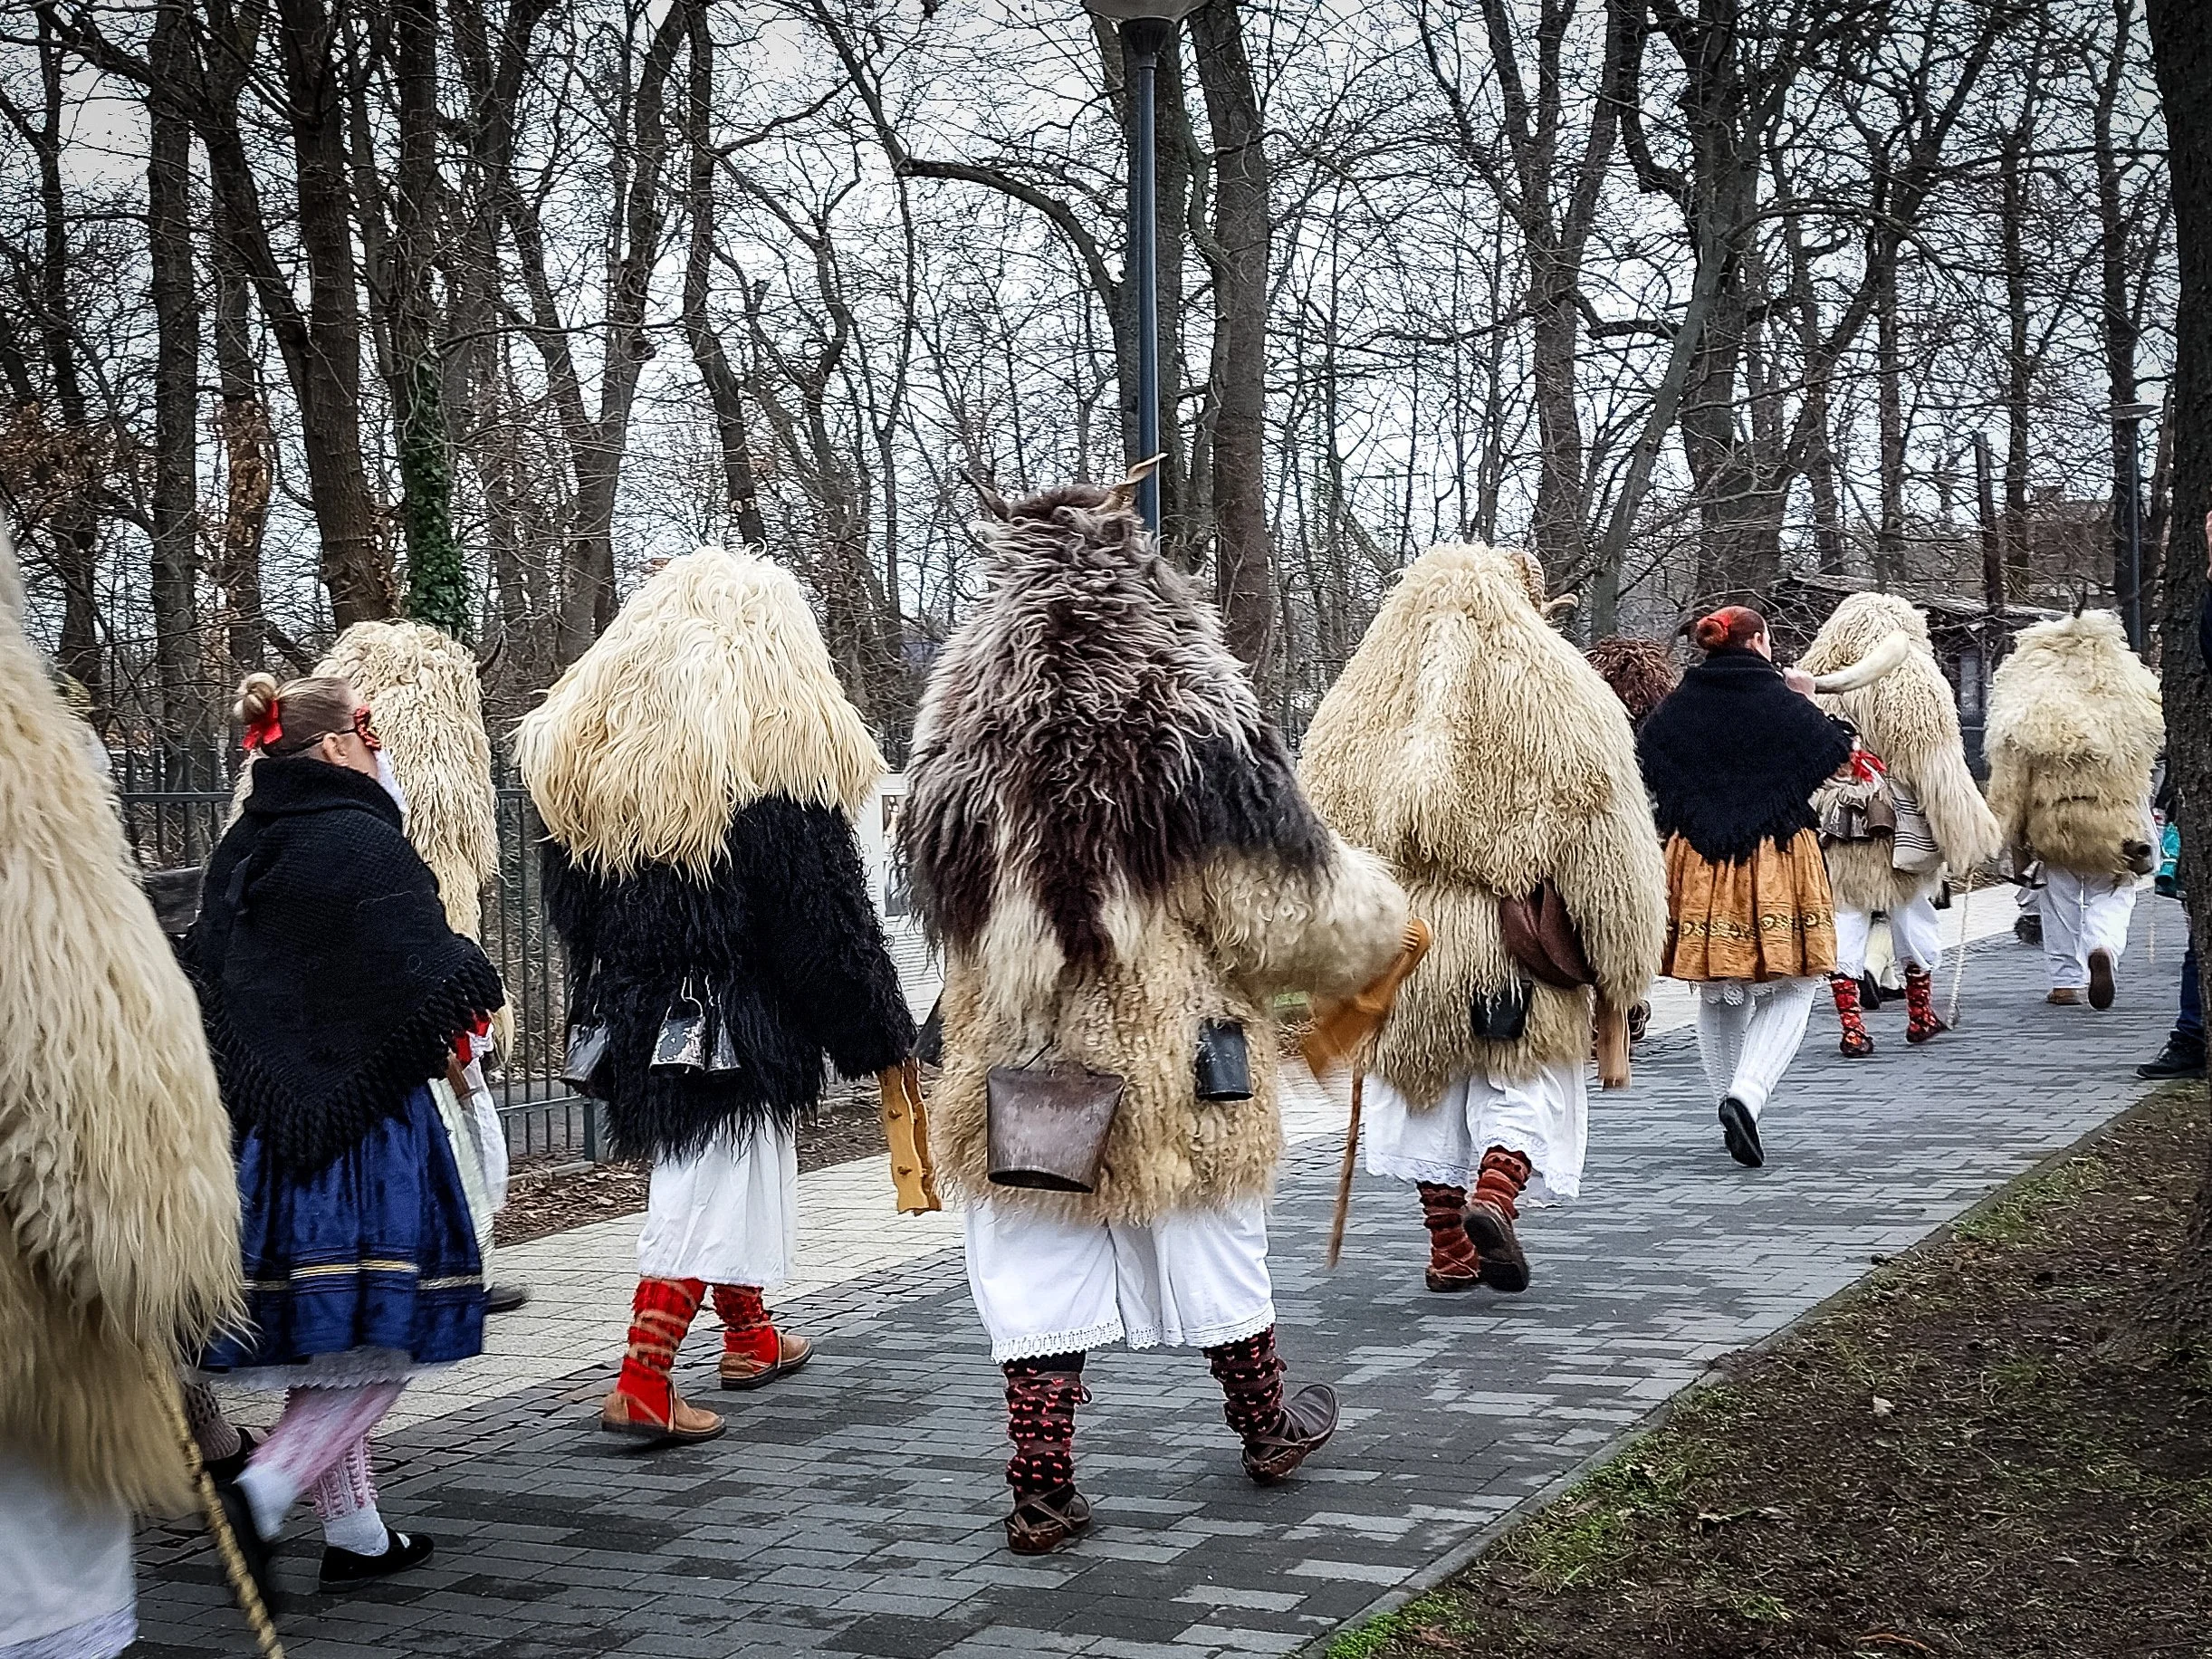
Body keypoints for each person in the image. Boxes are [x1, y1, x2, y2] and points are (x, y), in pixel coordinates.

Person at [901, 473, 1408, 1556]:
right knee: (1211, 1236)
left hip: (1020, 1049)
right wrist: (1370, 928)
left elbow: (945, 918)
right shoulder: (1194, 716)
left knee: (1035, 1250)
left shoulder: (952, 738)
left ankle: (1041, 1487)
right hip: (1181, 1048)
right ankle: (1265, 1424)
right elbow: (1280, 914)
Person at [517, 546, 914, 1447]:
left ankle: (749, 1335)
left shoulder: (594, 764)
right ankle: (642, 1380)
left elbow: (574, 913)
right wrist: (878, 1032)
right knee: (708, 1187)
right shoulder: (771, 754)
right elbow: (822, 925)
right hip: (730, 1021)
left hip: (637, 1008)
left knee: (727, 1173)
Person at [188, 671, 504, 1592]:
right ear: (334, 744)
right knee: (390, 1337)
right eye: (371, 736)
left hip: (270, 1138)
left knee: (329, 1338)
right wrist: (463, 984)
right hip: (368, 1137)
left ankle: (356, 1533)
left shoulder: (247, 843)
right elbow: (431, 972)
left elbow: (212, 975)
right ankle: (265, 1487)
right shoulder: (362, 838)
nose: (379, 752)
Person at [1300, 545, 1666, 1294]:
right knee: (1520, 1081)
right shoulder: (1564, 698)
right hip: (1510, 940)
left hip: (1401, 941)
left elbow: (1315, 846)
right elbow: (1611, 851)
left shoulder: (1354, 704)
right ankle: (1494, 1197)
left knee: (1421, 1089)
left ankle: (1448, 1251)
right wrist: (1622, 968)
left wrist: (1325, 963)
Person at [1, 524, 241, 1659]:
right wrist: (144, 1245)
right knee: (45, 1596)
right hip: (25, 1344)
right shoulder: (21, 778)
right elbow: (80, 1060)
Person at [1636, 606, 1853, 1168]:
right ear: (1757, 642)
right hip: (1776, 854)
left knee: (1718, 990)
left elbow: (1648, 757)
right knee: (1796, 984)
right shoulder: (1779, 698)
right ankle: (1746, 1096)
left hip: (1697, 857)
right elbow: (1834, 754)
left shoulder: (1680, 703)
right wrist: (1806, 697)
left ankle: (1727, 1107)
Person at [1798, 593, 2001, 1052]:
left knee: (1845, 915)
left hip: (1834, 823)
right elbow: (1937, 766)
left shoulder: (1811, 680)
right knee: (1913, 914)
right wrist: (1963, 831)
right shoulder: (1914, 678)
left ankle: (1852, 1027)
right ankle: (1919, 1015)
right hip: (1902, 823)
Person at [1985, 611, 2161, 1008]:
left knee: (2058, 900)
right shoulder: (2127, 704)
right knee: (2115, 890)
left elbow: (2010, 781)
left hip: (2052, 821)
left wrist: (2002, 829)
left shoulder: (2029, 709)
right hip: (2112, 819)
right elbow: (2142, 773)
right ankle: (2102, 946)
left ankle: (2066, 982)